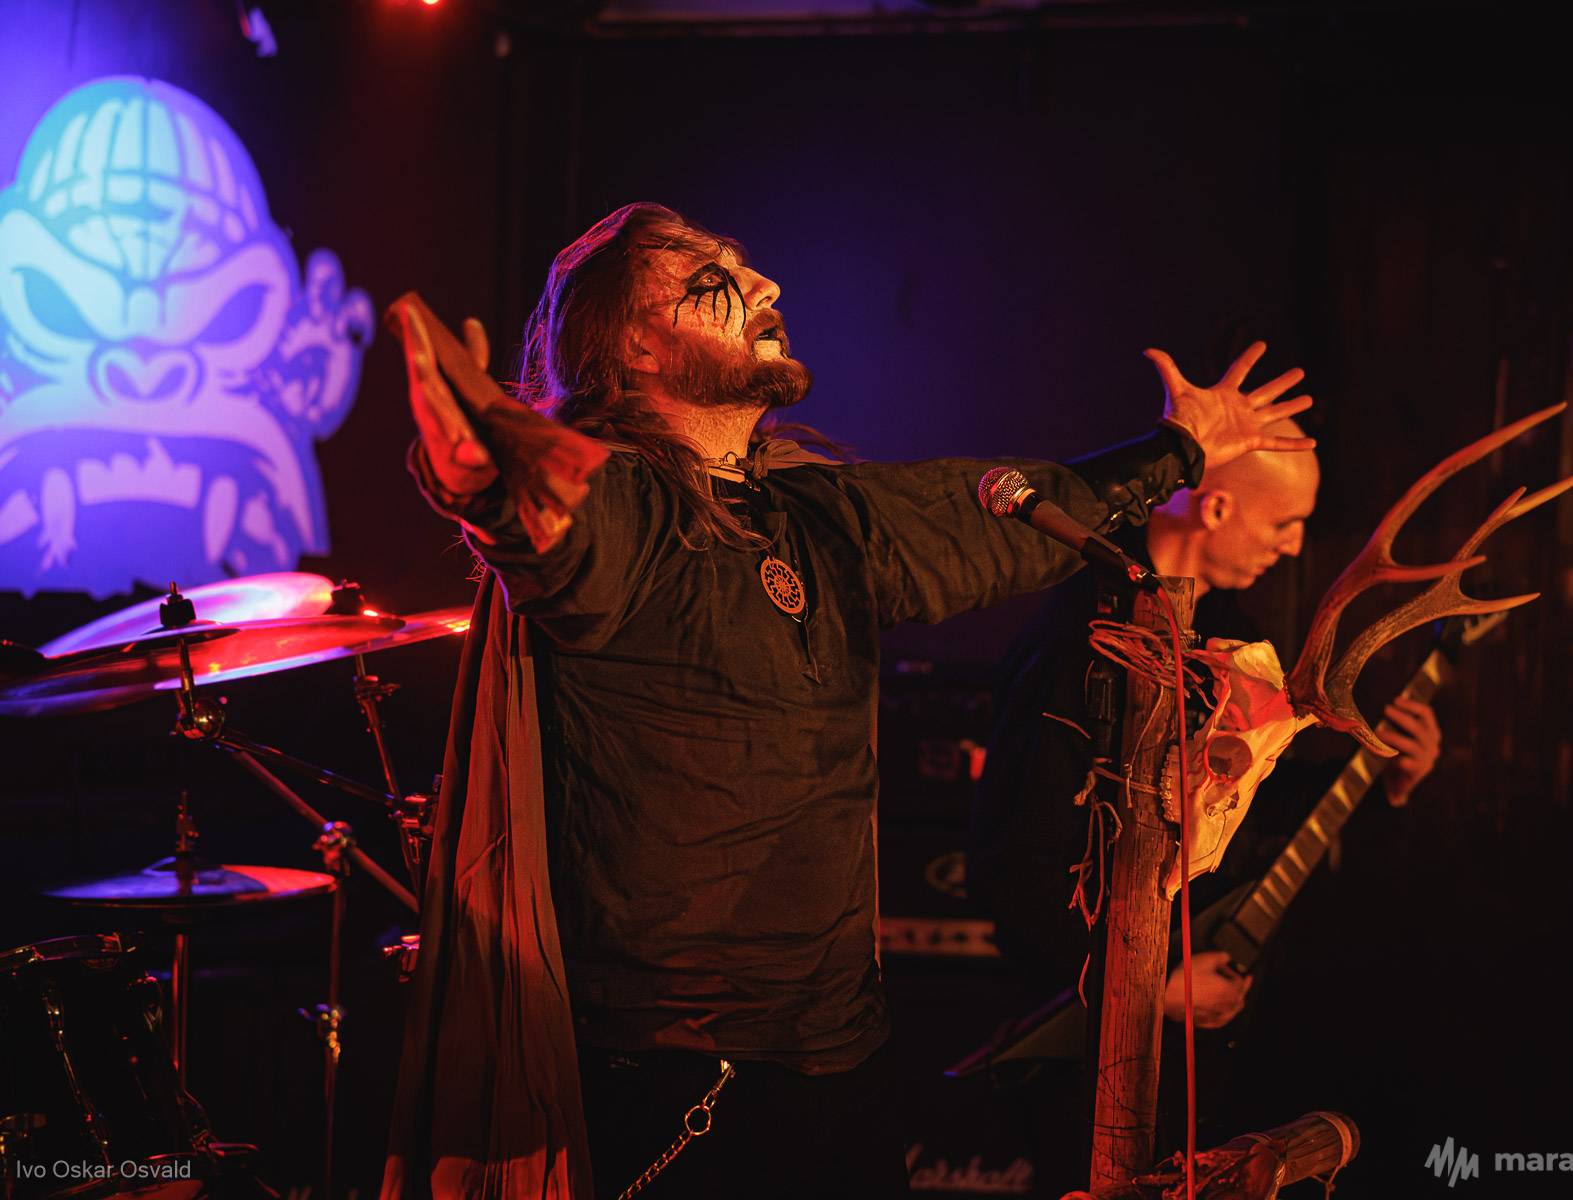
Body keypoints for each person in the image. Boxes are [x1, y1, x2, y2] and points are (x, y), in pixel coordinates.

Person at [382, 202, 1315, 1199]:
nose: (765, 286)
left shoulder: (818, 514)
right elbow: (555, 520)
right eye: (711, 280)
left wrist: (1179, 449)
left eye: (747, 268)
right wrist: (485, 473)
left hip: (841, 1056)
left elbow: (995, 518)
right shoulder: (632, 512)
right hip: (679, 1075)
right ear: (638, 346)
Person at [969, 423, 1441, 1048]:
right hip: (1086, 1023)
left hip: (1200, 1009)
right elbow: (1013, 863)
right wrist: (1153, 983)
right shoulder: (1079, 642)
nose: (1296, 546)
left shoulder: (1234, 638)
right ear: (1216, 509)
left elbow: (1243, 809)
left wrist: (1384, 780)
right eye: (1285, 523)